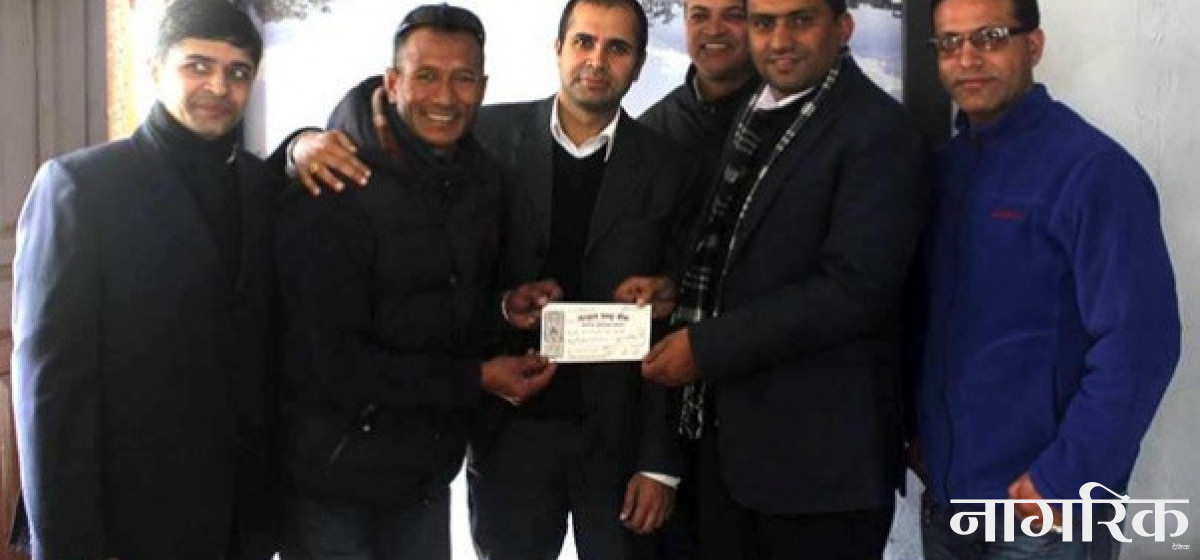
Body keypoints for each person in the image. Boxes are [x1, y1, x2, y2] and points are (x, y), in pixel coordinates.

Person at [290, 2, 693, 557]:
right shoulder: (484, 136)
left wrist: (658, 462)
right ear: (559, 49)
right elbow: (383, 122)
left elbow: (681, 309)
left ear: (640, 63)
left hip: (618, 446)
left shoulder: (671, 166)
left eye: (617, 48)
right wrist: (301, 142)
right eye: (584, 41)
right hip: (504, 437)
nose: (597, 60)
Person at [628, 0, 930, 557]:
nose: (780, 39)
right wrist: (676, 292)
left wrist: (705, 346)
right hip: (733, 459)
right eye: (764, 22)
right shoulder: (756, 114)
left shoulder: (880, 132)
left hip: (820, 474)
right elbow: (739, 255)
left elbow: (853, 290)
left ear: (842, 28)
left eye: (801, 19)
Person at [273, 6, 558, 560]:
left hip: (422, 474)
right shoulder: (334, 179)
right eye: (426, 75)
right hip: (332, 478)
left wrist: (504, 308)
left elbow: (437, 309)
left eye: (463, 78)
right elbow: (328, 363)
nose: (445, 97)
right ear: (392, 81)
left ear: (484, 87)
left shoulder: (483, 182)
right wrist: (476, 378)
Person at [11, 1, 280, 558]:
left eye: (237, 72)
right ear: (156, 69)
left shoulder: (262, 187)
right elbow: (49, 391)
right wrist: (64, 544)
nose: (218, 86)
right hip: (126, 521)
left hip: (241, 518)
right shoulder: (82, 187)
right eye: (198, 66)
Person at [914, 0, 1181, 558]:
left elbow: (1140, 344)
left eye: (989, 37)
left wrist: (1067, 478)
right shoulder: (944, 169)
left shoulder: (1093, 172)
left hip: (1044, 512)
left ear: (1032, 46)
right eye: (949, 43)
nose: (967, 59)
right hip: (949, 499)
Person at [638, 0, 759, 161]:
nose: (714, 30)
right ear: (685, 23)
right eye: (700, 16)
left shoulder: (785, 119)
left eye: (732, 16)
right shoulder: (649, 135)